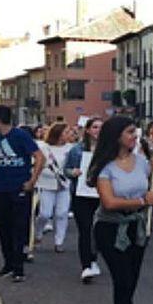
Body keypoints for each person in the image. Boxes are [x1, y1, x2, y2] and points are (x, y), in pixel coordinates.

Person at [88, 116, 153, 304]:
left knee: (130, 282)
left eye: (135, 133)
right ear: (117, 135)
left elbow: (151, 183)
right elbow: (109, 202)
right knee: (122, 279)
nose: (134, 137)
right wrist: (141, 201)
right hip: (110, 228)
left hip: (136, 227)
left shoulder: (143, 162)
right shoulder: (104, 167)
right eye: (130, 132)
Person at [0, 105, 44, 282]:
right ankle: (8, 264)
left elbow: (40, 157)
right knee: (3, 228)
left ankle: (18, 267)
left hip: (19, 188)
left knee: (18, 227)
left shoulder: (20, 135)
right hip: (0, 188)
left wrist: (32, 181)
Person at [66, 117, 103, 283]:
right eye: (95, 127)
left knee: (99, 230)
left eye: (101, 127)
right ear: (87, 130)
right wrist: (72, 172)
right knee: (85, 229)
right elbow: (66, 169)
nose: (98, 130)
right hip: (82, 194)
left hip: (102, 195)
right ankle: (86, 265)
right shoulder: (77, 150)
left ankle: (94, 258)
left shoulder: (109, 150)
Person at [36, 123, 74, 253]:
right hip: (46, 184)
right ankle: (38, 233)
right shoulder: (43, 147)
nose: (69, 134)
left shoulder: (71, 148)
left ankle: (59, 242)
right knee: (45, 213)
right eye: (66, 132)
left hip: (64, 184)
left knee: (62, 213)